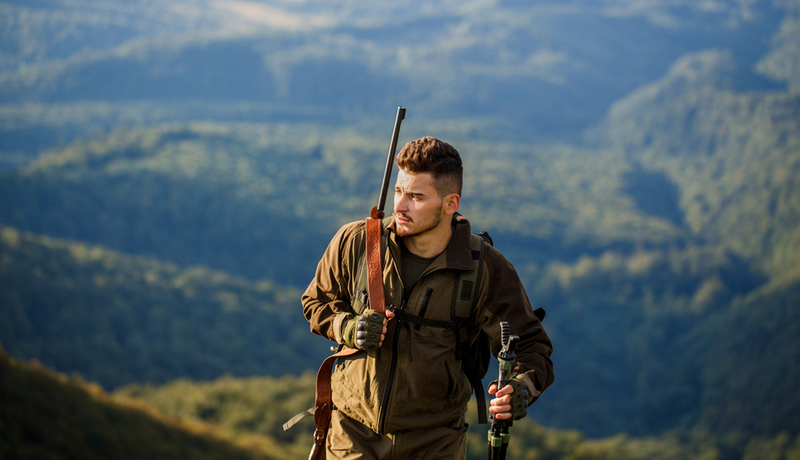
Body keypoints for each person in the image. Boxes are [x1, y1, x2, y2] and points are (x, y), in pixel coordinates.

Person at [302, 136, 554, 459]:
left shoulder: (483, 269)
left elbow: (534, 347)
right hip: (352, 435)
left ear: (451, 204)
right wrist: (347, 328)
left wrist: (521, 389)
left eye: (416, 197)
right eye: (398, 191)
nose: (399, 206)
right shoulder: (357, 243)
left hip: (435, 443)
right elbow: (315, 303)